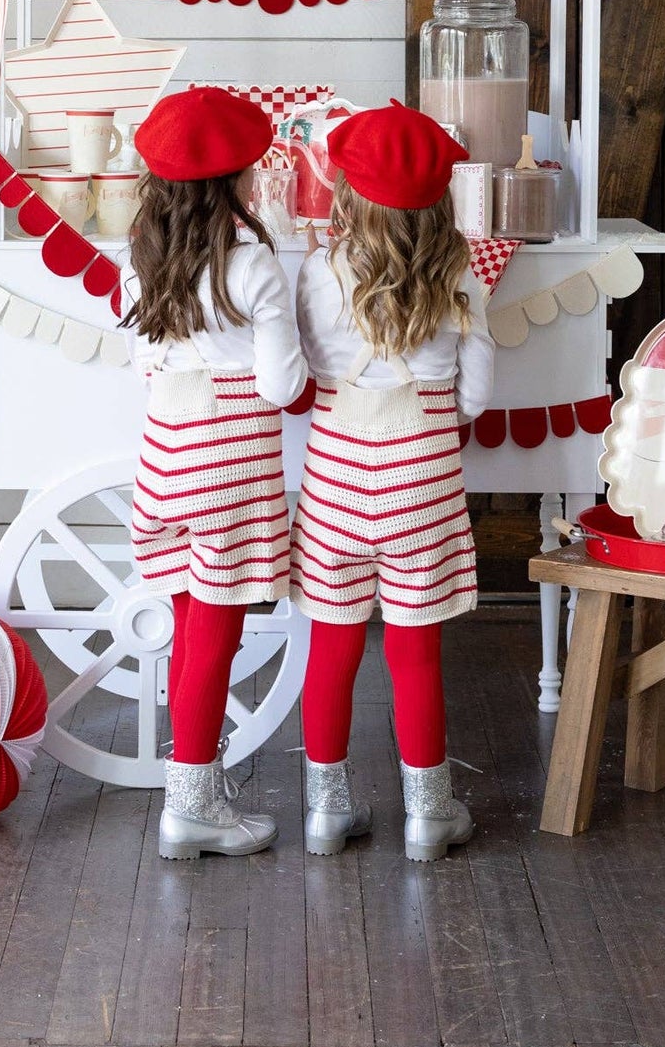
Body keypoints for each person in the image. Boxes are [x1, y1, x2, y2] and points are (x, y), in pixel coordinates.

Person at [289, 103, 495, 861]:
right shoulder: (461, 272)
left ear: (347, 192)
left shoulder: (318, 269)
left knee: (331, 649)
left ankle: (324, 812)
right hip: (424, 487)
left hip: (338, 484)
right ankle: (426, 817)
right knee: (414, 655)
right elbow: (473, 398)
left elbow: (309, 369)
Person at [123, 87, 308, 860]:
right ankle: (192, 803)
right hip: (230, 464)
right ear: (235, 177)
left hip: (165, 455)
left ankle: (192, 796)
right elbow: (280, 387)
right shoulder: (252, 262)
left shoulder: (140, 256)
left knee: (190, 630)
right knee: (215, 638)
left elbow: (144, 363)